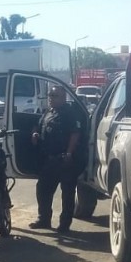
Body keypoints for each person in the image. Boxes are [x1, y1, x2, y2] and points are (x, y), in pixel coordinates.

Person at [29, 85, 87, 234]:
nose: (51, 98)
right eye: (50, 95)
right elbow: (38, 125)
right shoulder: (48, 112)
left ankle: (64, 224)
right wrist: (35, 133)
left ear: (63, 98)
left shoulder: (70, 113)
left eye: (54, 96)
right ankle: (44, 219)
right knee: (43, 189)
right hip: (49, 159)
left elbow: (75, 134)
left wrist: (69, 153)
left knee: (67, 193)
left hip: (64, 159)